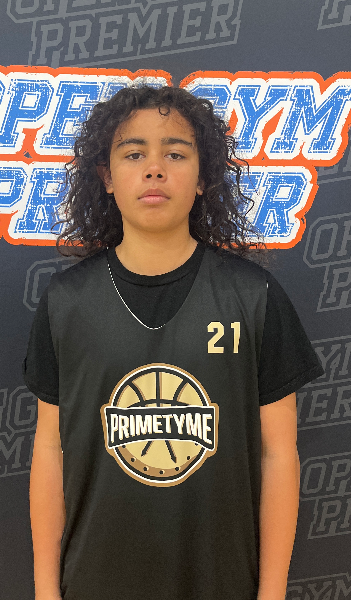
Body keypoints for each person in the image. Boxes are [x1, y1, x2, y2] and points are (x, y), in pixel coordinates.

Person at [23, 84, 324, 600]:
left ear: (203, 177)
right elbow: (50, 449)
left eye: (176, 153)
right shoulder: (66, 301)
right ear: (106, 177)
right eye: (133, 153)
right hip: (96, 582)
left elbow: (279, 454)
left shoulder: (253, 296)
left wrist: (272, 594)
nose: (154, 169)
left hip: (221, 581)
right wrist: (46, 593)